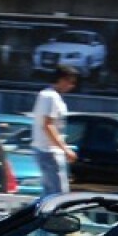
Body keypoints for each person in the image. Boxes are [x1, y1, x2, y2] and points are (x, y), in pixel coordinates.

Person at [31, 65, 79, 195]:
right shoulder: (50, 96)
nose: (72, 86)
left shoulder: (50, 96)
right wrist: (66, 149)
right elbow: (47, 125)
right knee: (58, 195)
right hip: (49, 151)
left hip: (48, 151)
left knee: (50, 193)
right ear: (62, 79)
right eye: (71, 81)